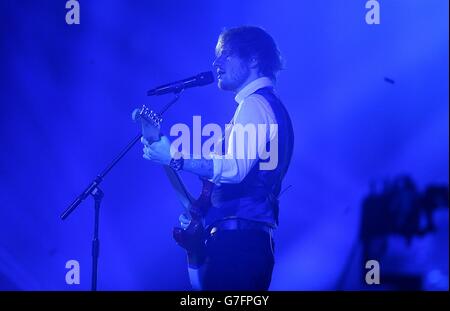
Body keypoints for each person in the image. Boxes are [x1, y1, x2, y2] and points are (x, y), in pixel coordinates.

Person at [142, 26, 294, 290]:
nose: (216, 63)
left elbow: (234, 169)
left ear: (254, 58)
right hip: (243, 244)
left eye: (225, 54)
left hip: (240, 244)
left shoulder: (255, 105)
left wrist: (176, 156)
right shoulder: (264, 106)